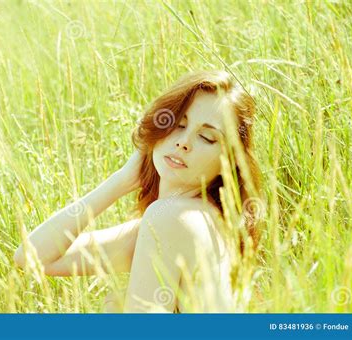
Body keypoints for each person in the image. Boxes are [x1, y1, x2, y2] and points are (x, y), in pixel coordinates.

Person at [14, 70, 263, 313]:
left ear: (229, 161)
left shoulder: (173, 218)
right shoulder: (190, 219)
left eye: (207, 137)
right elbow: (31, 257)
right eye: (177, 124)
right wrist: (122, 180)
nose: (183, 142)